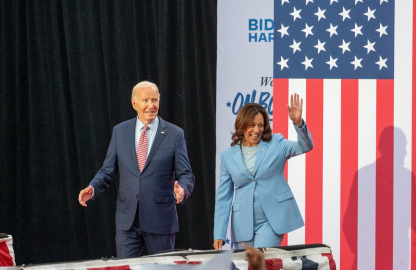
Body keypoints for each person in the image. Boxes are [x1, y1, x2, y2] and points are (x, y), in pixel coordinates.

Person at [78, 81, 194, 258]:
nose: (151, 105)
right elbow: (108, 170)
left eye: (154, 100)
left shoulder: (174, 134)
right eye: (145, 100)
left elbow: (186, 174)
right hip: (127, 221)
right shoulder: (120, 132)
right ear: (134, 104)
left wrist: (182, 191)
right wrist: (93, 188)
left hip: (160, 219)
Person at [213, 94, 313, 250]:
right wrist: (219, 233)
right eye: (252, 125)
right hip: (242, 224)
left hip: (271, 220)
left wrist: (298, 123)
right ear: (242, 125)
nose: (256, 130)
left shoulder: (277, 143)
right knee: (246, 266)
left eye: (260, 125)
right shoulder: (227, 156)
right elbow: (223, 197)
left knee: (260, 263)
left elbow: (305, 145)